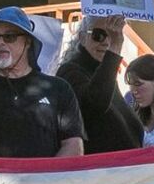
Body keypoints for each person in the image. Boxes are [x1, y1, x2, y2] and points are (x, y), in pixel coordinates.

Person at [0, 7, 84, 159]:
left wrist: (44, 179)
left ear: (27, 42)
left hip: (47, 181)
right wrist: (3, 181)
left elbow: (73, 145)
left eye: (9, 37)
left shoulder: (59, 89)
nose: (0, 42)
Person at [57, 14, 143, 154]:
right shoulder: (70, 71)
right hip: (100, 170)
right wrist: (114, 51)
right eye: (98, 35)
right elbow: (95, 105)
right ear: (82, 37)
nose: (107, 42)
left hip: (127, 168)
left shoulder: (103, 72)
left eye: (113, 35)